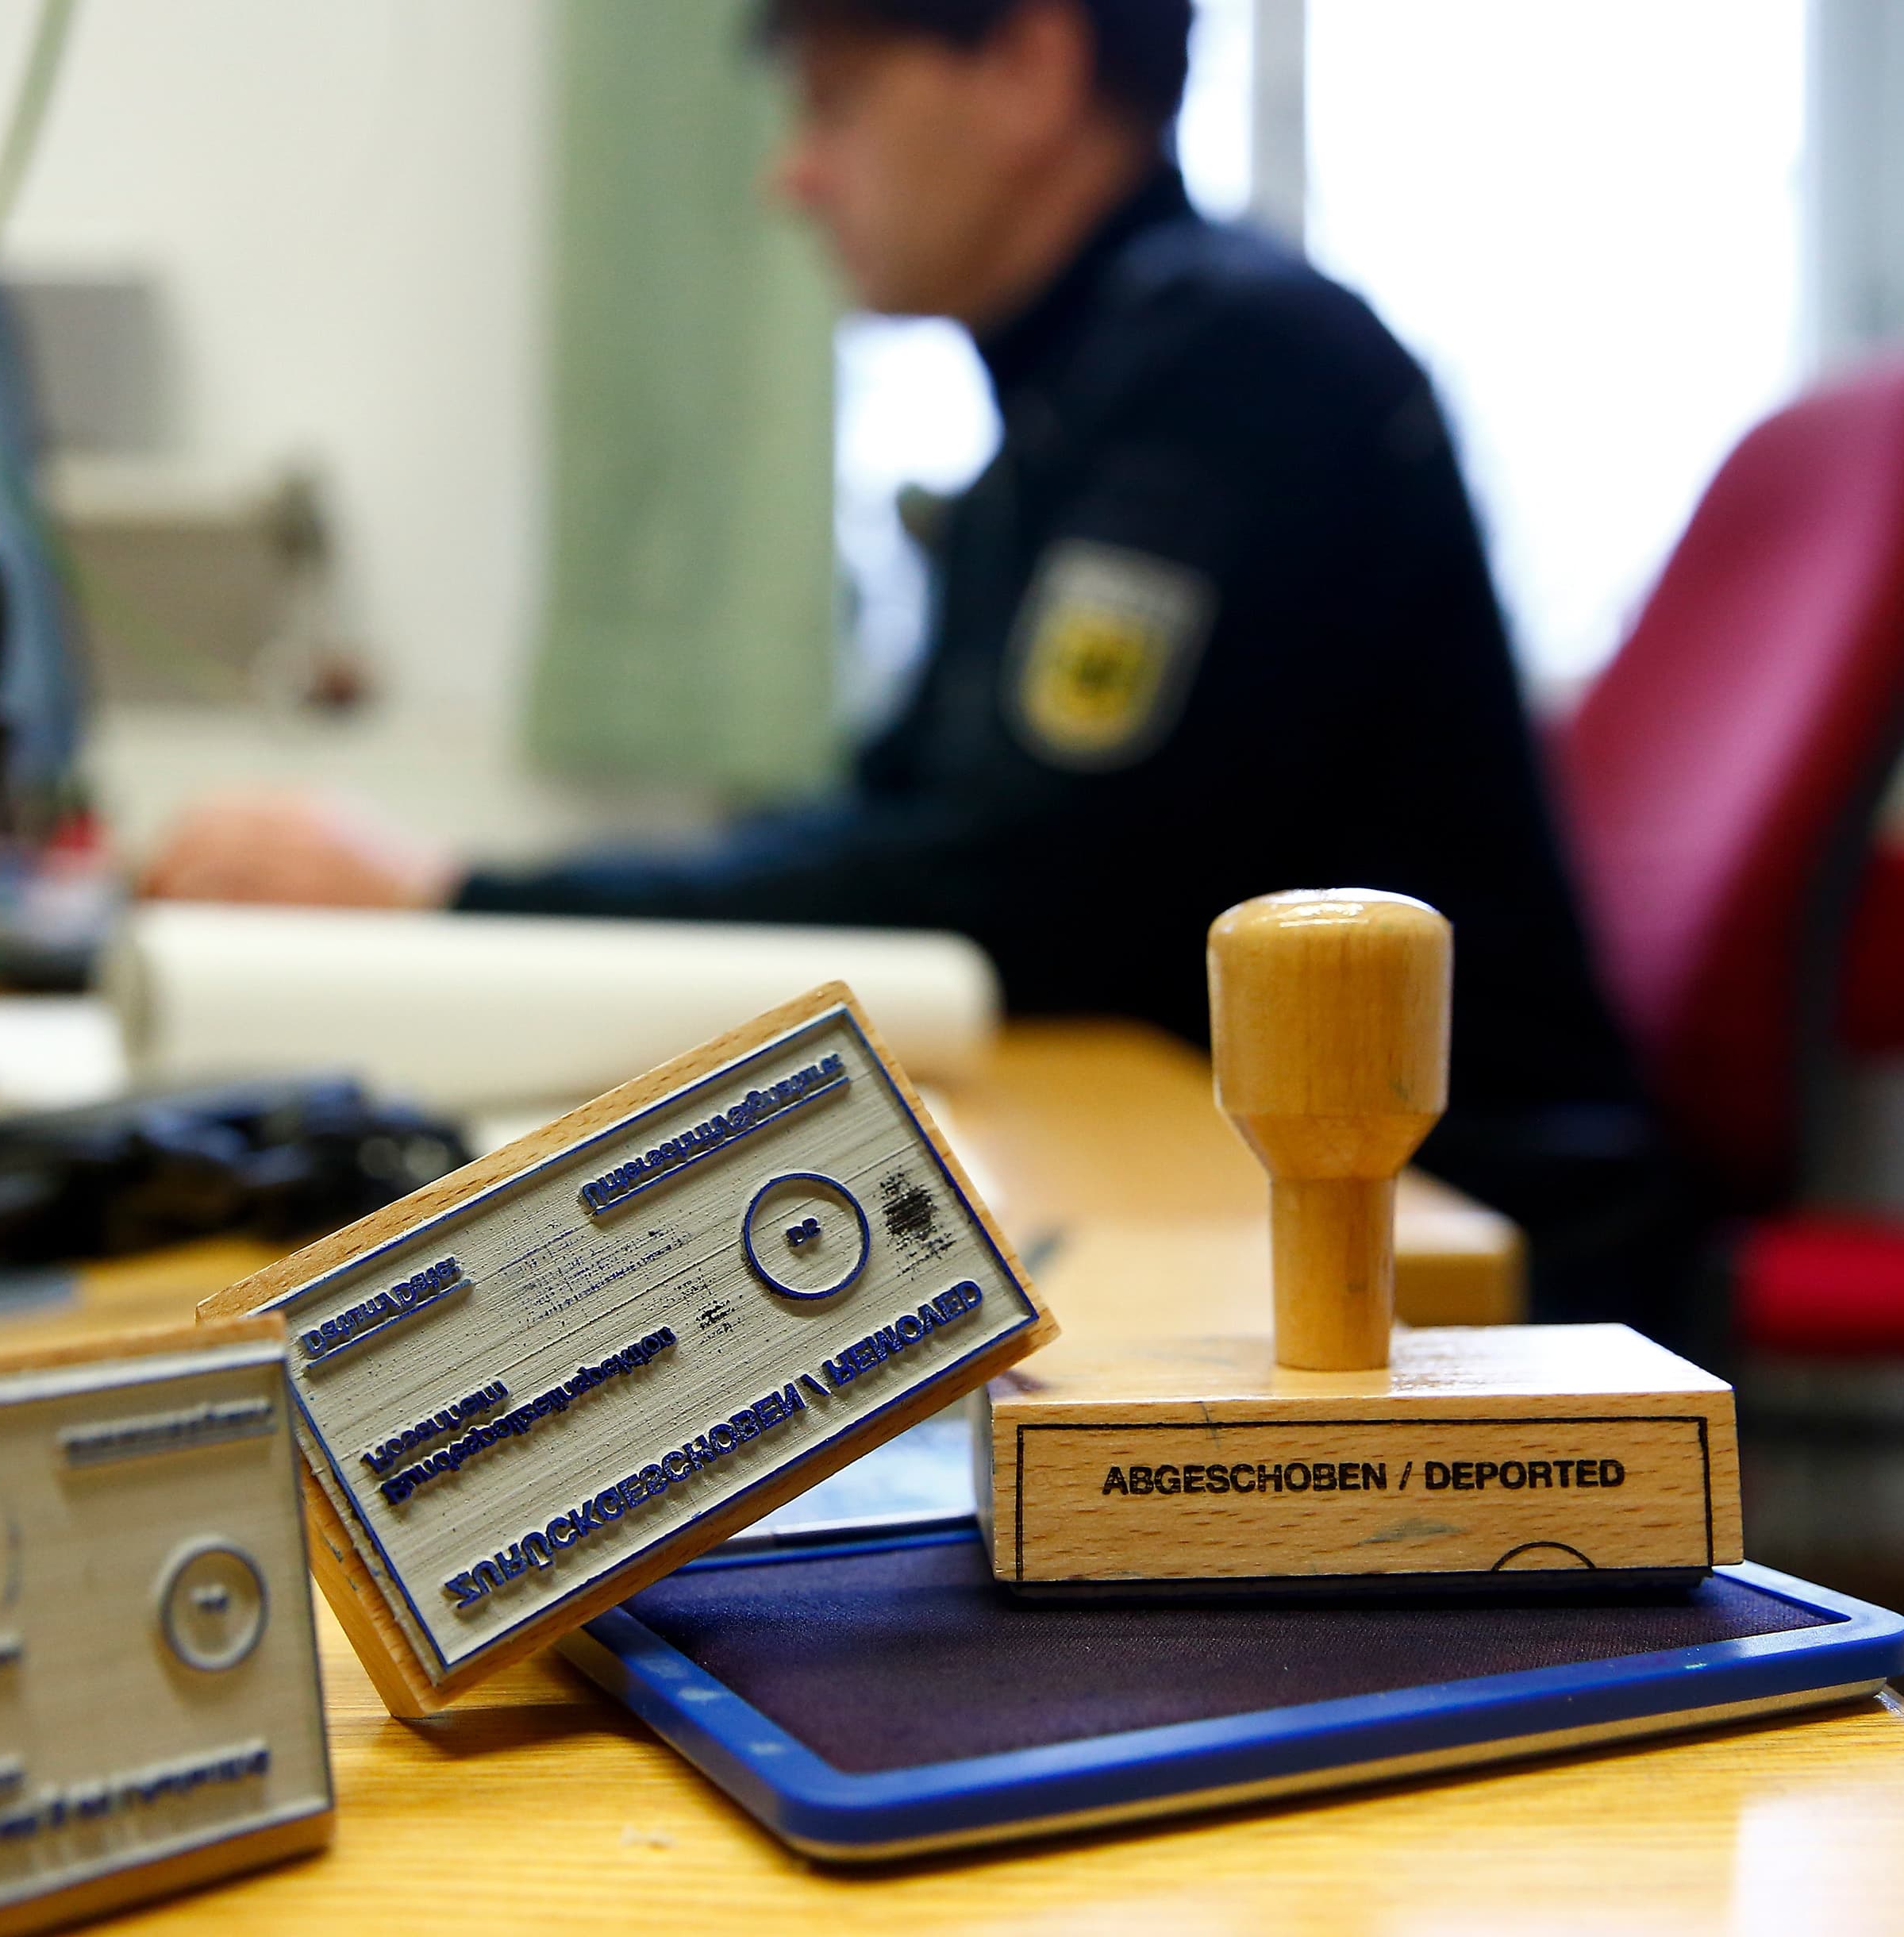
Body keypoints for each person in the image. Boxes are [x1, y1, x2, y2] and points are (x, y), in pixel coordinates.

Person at [147, 0, 1699, 1342]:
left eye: (830, 101)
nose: (789, 173)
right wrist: (465, 906)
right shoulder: (1081, 412)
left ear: (1026, 64)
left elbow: (1008, 887)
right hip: (1247, 1181)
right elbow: (893, 837)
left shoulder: (1235, 374)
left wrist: (453, 903)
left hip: (1461, 1234)